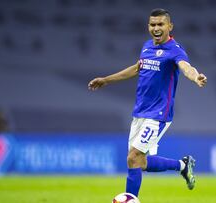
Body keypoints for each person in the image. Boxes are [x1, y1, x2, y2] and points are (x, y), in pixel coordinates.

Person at [88, 8, 207, 197]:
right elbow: (137, 68)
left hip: (159, 114)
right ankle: (183, 165)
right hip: (140, 112)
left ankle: (130, 200)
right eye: (153, 24)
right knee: (139, 162)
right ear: (148, 26)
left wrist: (196, 77)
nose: (156, 28)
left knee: (133, 157)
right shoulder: (147, 46)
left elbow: (186, 67)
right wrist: (106, 79)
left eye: (161, 24)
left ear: (170, 26)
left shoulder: (175, 50)